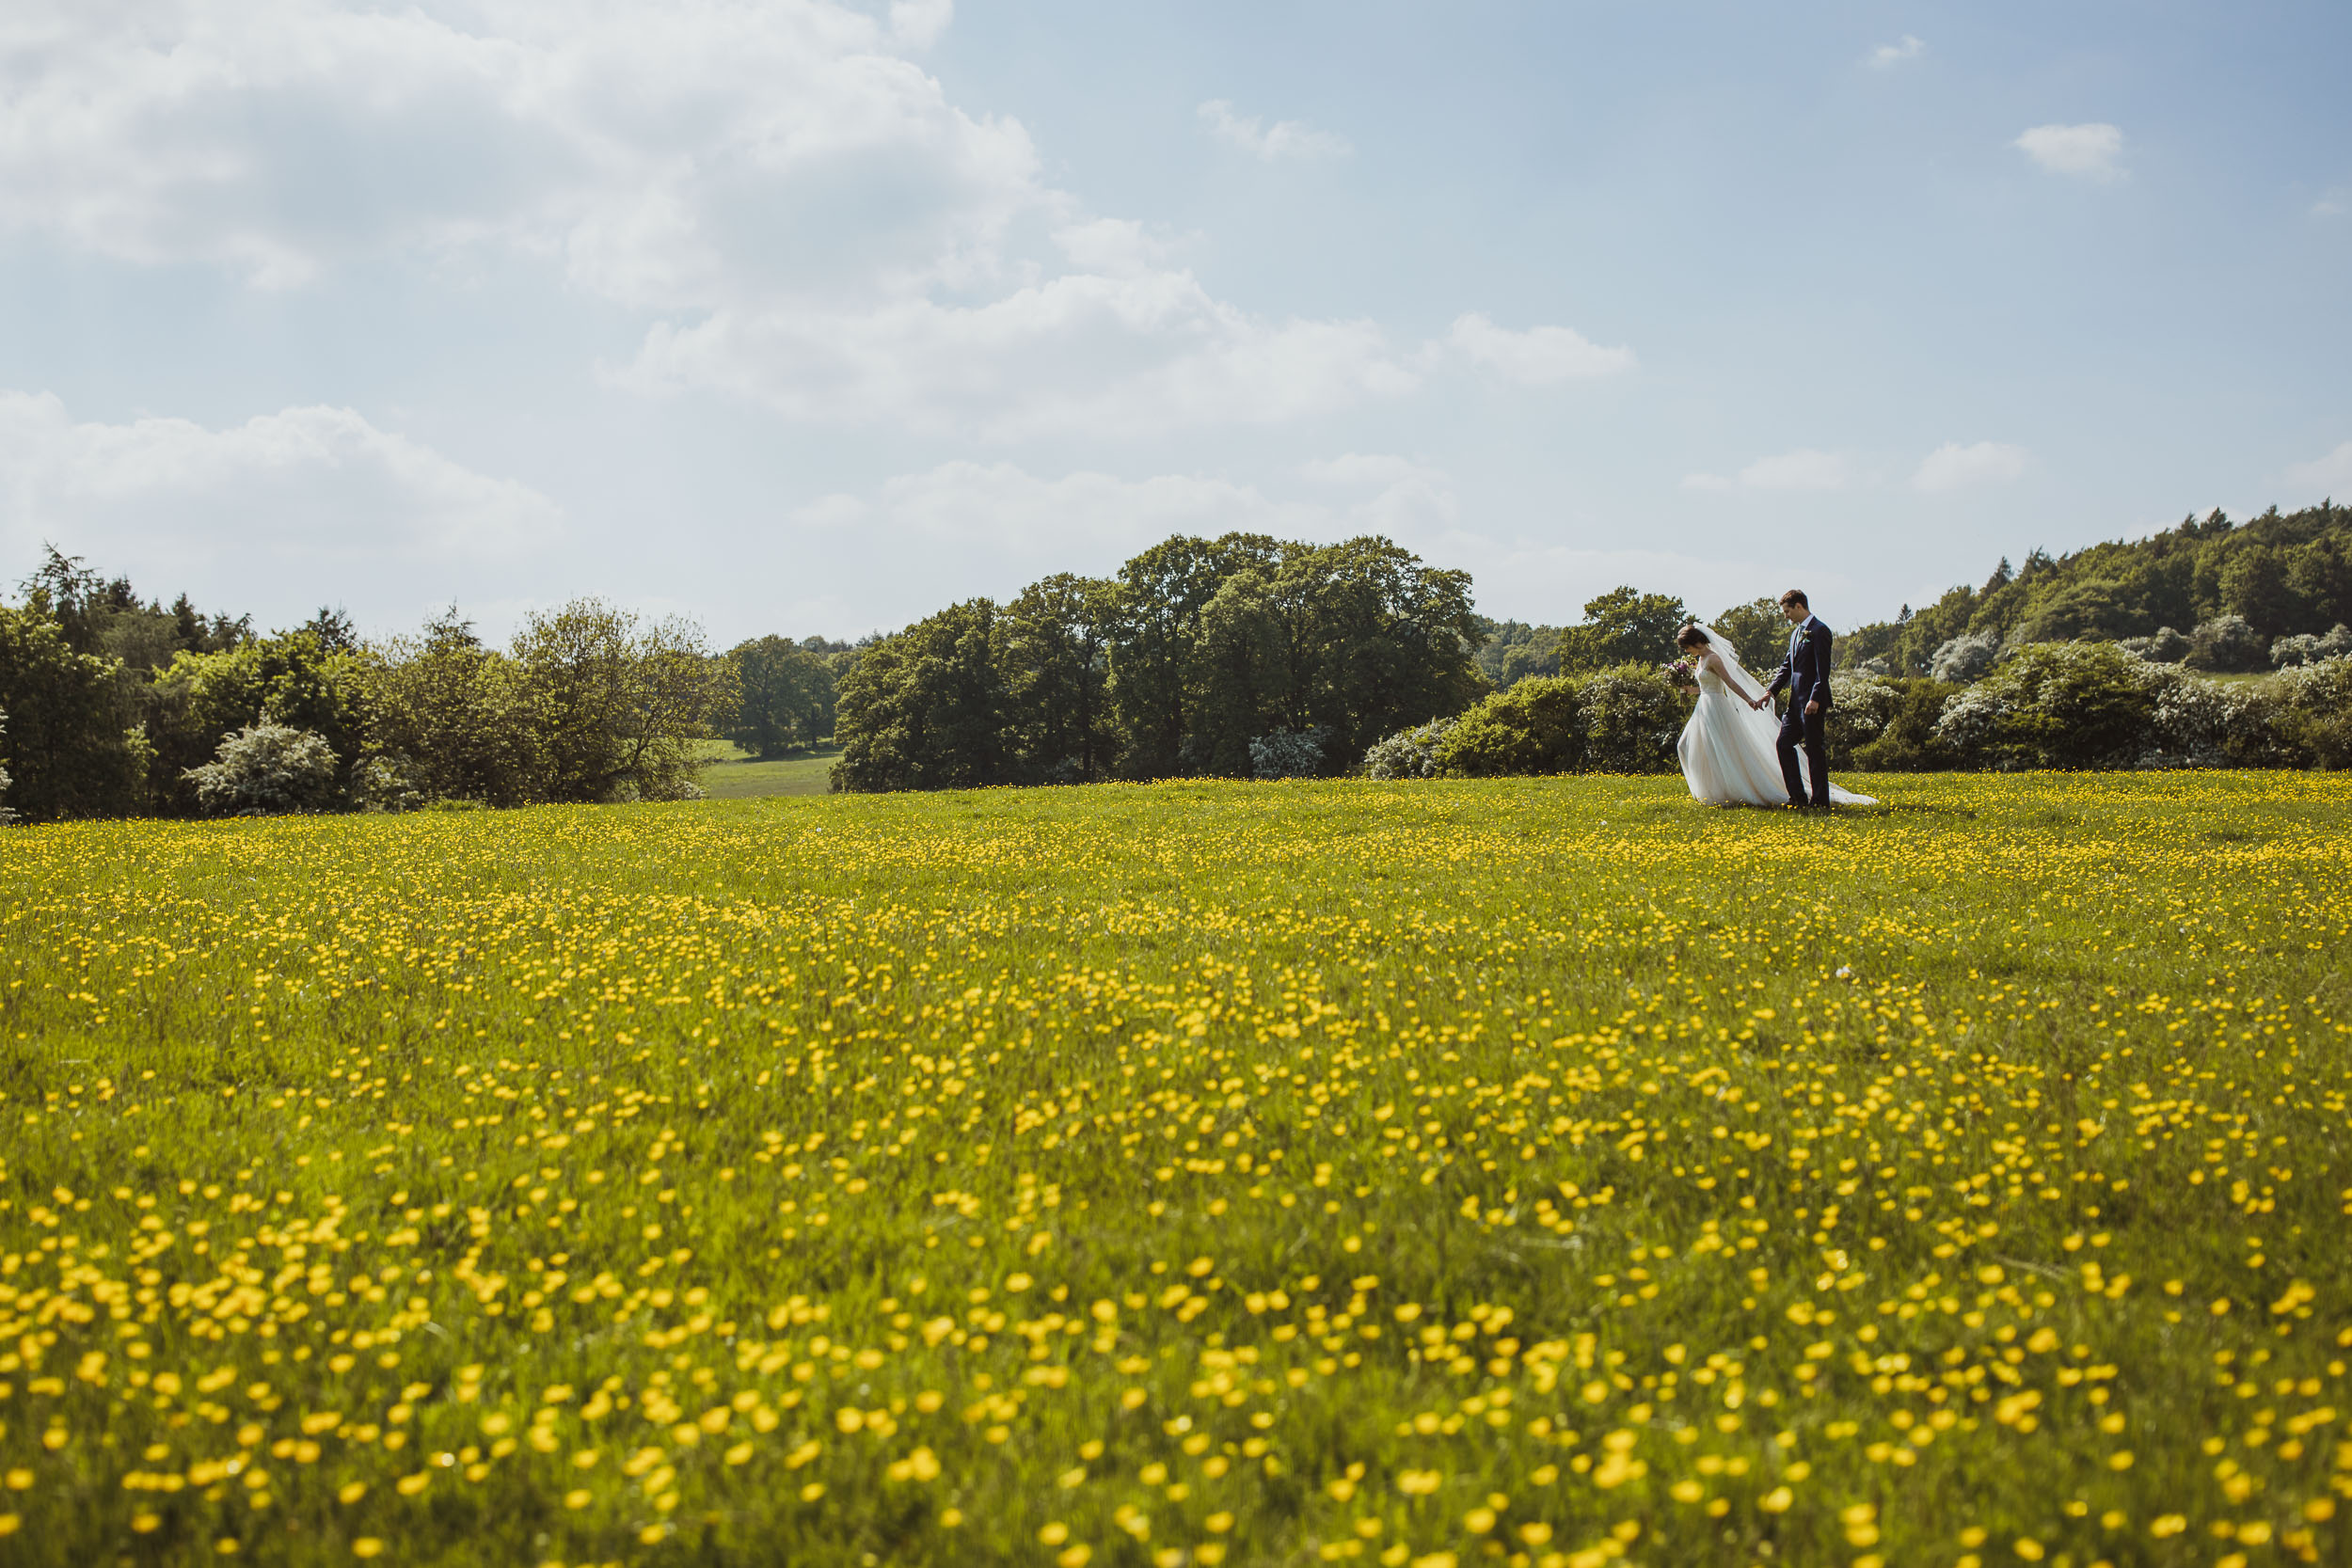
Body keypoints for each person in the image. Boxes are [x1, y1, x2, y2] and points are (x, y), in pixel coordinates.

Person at [1673, 618, 1874, 808]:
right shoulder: (1699, 660)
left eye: (1687, 647)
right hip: (1704, 707)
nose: (1686, 651)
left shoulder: (1713, 659)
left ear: (1696, 642)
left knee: (1718, 749)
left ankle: (1730, 789)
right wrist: (1691, 691)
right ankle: (1712, 789)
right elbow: (1707, 685)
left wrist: (1749, 700)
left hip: (1716, 708)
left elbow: (1730, 683)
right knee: (1691, 746)